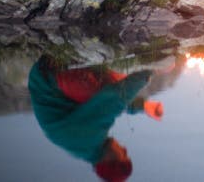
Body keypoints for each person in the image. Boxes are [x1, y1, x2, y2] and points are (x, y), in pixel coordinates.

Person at [28, 55, 164, 182]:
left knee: (109, 86)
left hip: (48, 77)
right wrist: (144, 106)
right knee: (115, 81)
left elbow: (112, 100)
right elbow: (99, 106)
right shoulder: (87, 148)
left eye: (124, 154)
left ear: (111, 160)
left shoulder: (88, 140)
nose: (123, 148)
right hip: (50, 80)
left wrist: (151, 70)